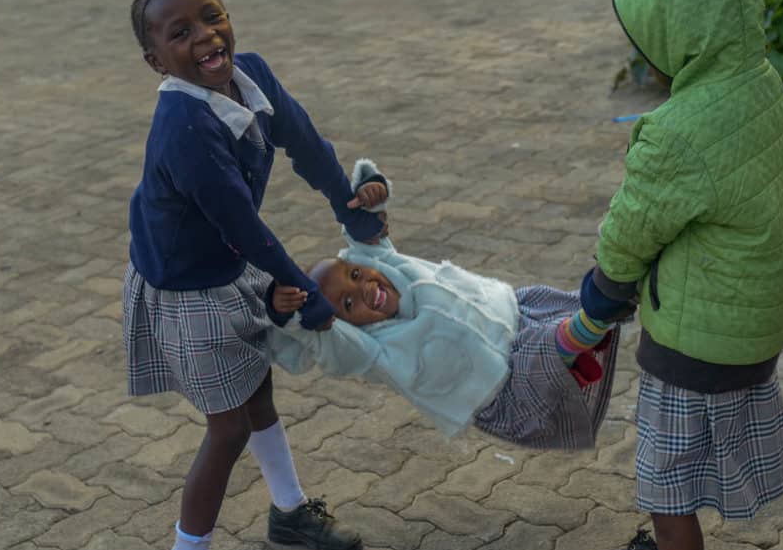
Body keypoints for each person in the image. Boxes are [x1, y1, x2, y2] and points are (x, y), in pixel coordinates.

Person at [122, 0, 389, 550]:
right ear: (156, 60)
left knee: (258, 393)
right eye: (180, 33)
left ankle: (290, 514)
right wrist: (311, 296)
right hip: (188, 289)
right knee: (230, 428)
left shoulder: (253, 75)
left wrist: (347, 205)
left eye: (212, 17)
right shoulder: (184, 128)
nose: (206, 37)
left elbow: (305, 142)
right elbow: (245, 228)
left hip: (231, 262)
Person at [580, 0, 783, 550]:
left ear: (685, 33)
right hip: (748, 327)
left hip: (694, 345)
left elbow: (629, 231)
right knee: (690, 461)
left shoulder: (681, 131)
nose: (643, 56)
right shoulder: (761, 84)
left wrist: (600, 295)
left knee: (667, 489)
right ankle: (664, 547)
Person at [267, 160, 626, 450]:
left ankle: (617, 291)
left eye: (357, 275)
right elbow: (328, 342)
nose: (364, 290)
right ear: (340, 322)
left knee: (559, 306)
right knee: (563, 337)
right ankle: (598, 312)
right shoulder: (367, 349)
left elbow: (367, 233)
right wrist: (295, 316)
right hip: (502, 384)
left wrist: (371, 195)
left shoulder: (389, 268)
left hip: (514, 314)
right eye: (347, 303)